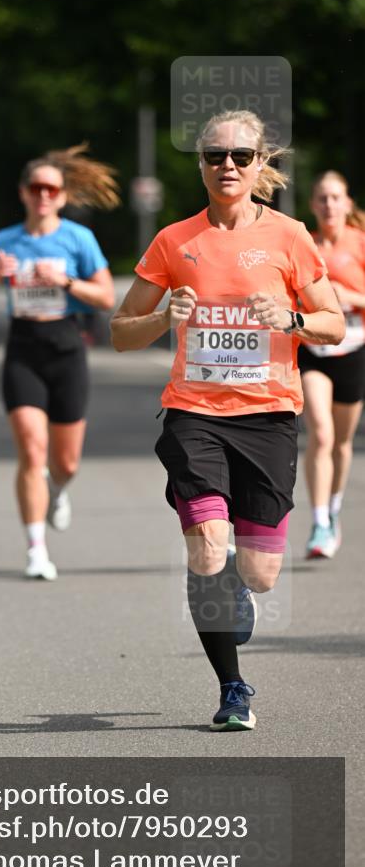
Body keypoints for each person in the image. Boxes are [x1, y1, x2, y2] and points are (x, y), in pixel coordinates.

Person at [111, 110, 344, 731]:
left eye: (241, 156)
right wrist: (164, 317)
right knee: (209, 552)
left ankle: (241, 579)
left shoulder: (292, 236)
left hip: (268, 415)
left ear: (260, 164)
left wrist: (290, 320)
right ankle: (232, 687)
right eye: (216, 155)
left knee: (259, 576)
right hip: (194, 413)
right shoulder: (174, 241)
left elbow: (336, 324)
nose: (228, 165)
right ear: (201, 164)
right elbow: (119, 333)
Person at [0, 145, 118, 580]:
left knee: (65, 463)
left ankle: (58, 490)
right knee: (32, 451)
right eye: (36, 188)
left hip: (67, 347)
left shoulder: (77, 239)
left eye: (52, 189)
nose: (44, 195)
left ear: (63, 195)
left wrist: (66, 280)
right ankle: (36, 549)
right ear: (24, 193)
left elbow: (106, 297)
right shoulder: (3, 241)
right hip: (23, 349)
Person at [299, 172, 365, 558]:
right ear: (313, 205)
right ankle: (320, 520)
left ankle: (334, 509)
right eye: (322, 198)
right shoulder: (304, 244)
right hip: (313, 351)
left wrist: (348, 295)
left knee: (341, 443)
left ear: (347, 203)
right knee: (321, 435)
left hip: (353, 350)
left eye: (335, 198)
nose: (329, 205)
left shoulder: (359, 244)